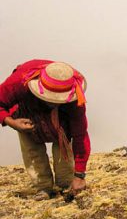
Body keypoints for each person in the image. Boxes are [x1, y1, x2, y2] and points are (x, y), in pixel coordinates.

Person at [0, 59, 90, 200]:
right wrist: (11, 122)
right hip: (27, 114)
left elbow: (80, 135)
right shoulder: (19, 82)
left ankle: (65, 185)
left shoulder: (75, 98)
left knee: (63, 148)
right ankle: (43, 187)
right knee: (32, 150)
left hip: (61, 121)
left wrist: (79, 175)